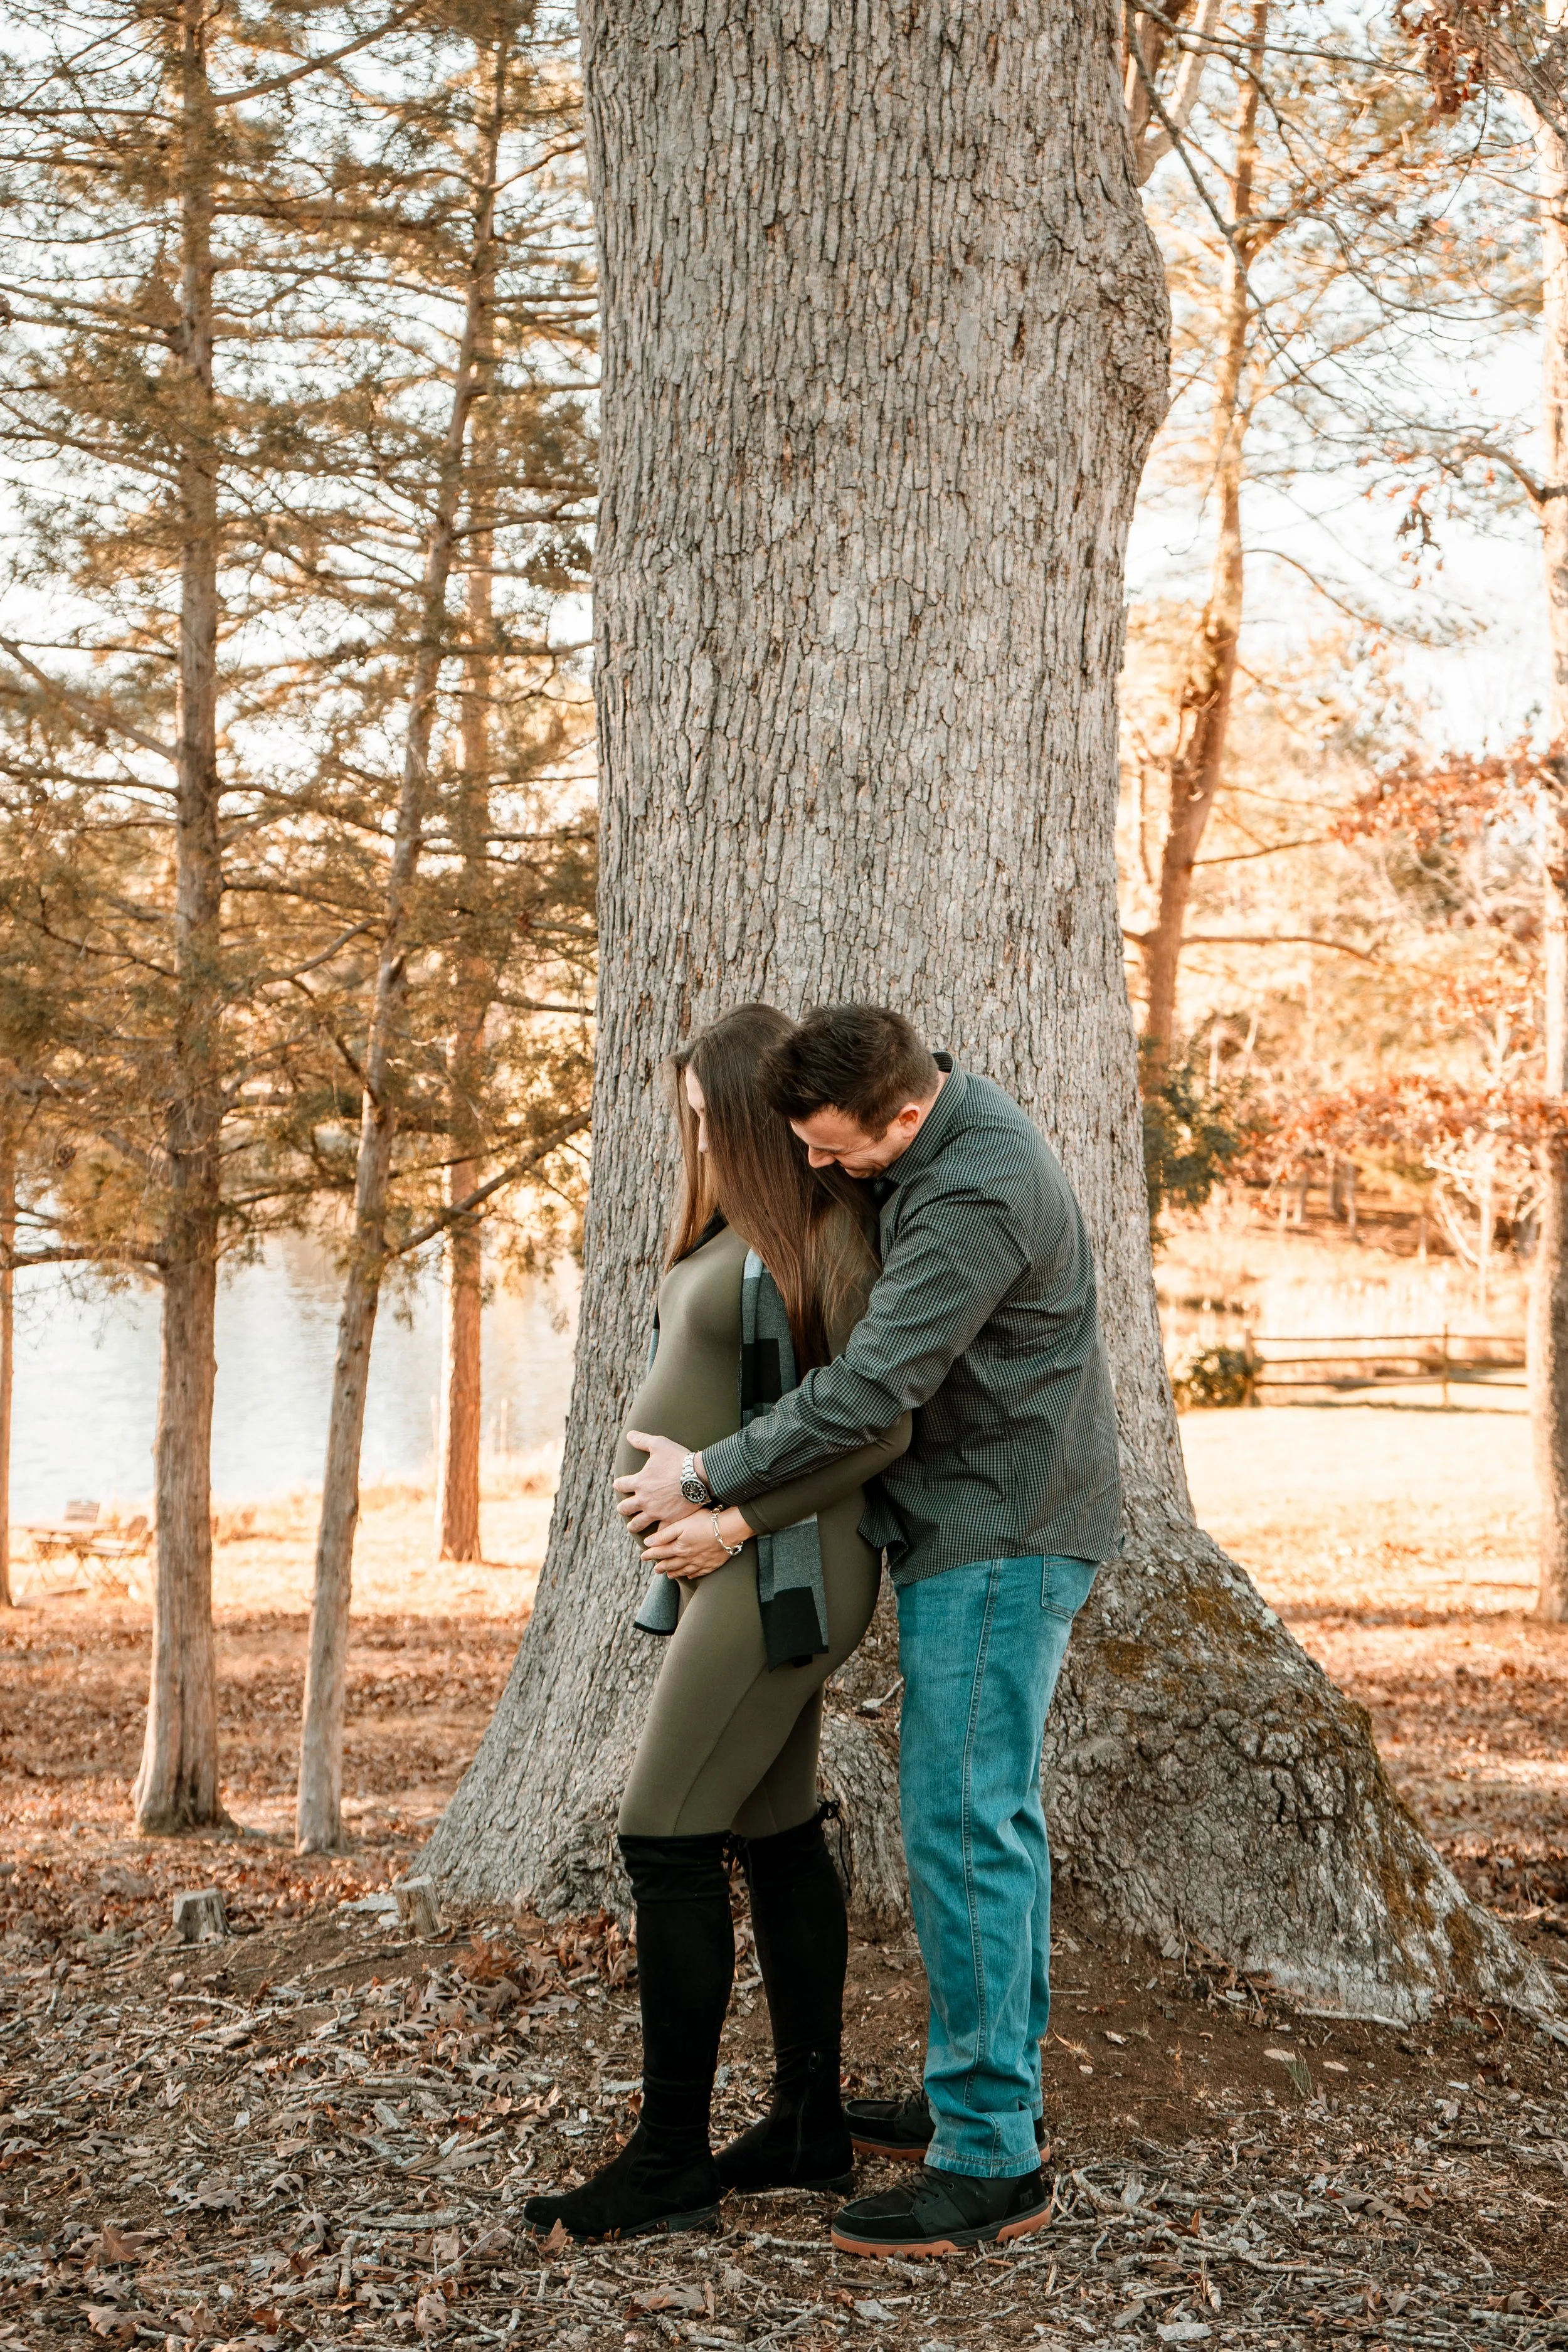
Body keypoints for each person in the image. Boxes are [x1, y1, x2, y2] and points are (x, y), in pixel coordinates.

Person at [616, 1004, 1123, 2257]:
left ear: (900, 1116)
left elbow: (871, 1388)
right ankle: (980, 2096)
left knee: (964, 1826)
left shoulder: (972, 1197)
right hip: (972, 1521)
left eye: (837, 1152)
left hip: (1000, 1532)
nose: (821, 1173)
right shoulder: (920, 1119)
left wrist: (710, 1485)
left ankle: (991, 2161)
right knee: (973, 1819)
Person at [522, 1003, 910, 2245]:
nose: (684, 1133)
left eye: (699, 1116)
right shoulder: (735, 1235)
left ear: (740, 1119)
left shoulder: (823, 1240)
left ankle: (670, 2159)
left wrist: (728, 1516)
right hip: (736, 1567)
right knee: (774, 1829)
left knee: (662, 1838)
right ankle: (806, 2124)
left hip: (785, 1570)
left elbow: (879, 1428)